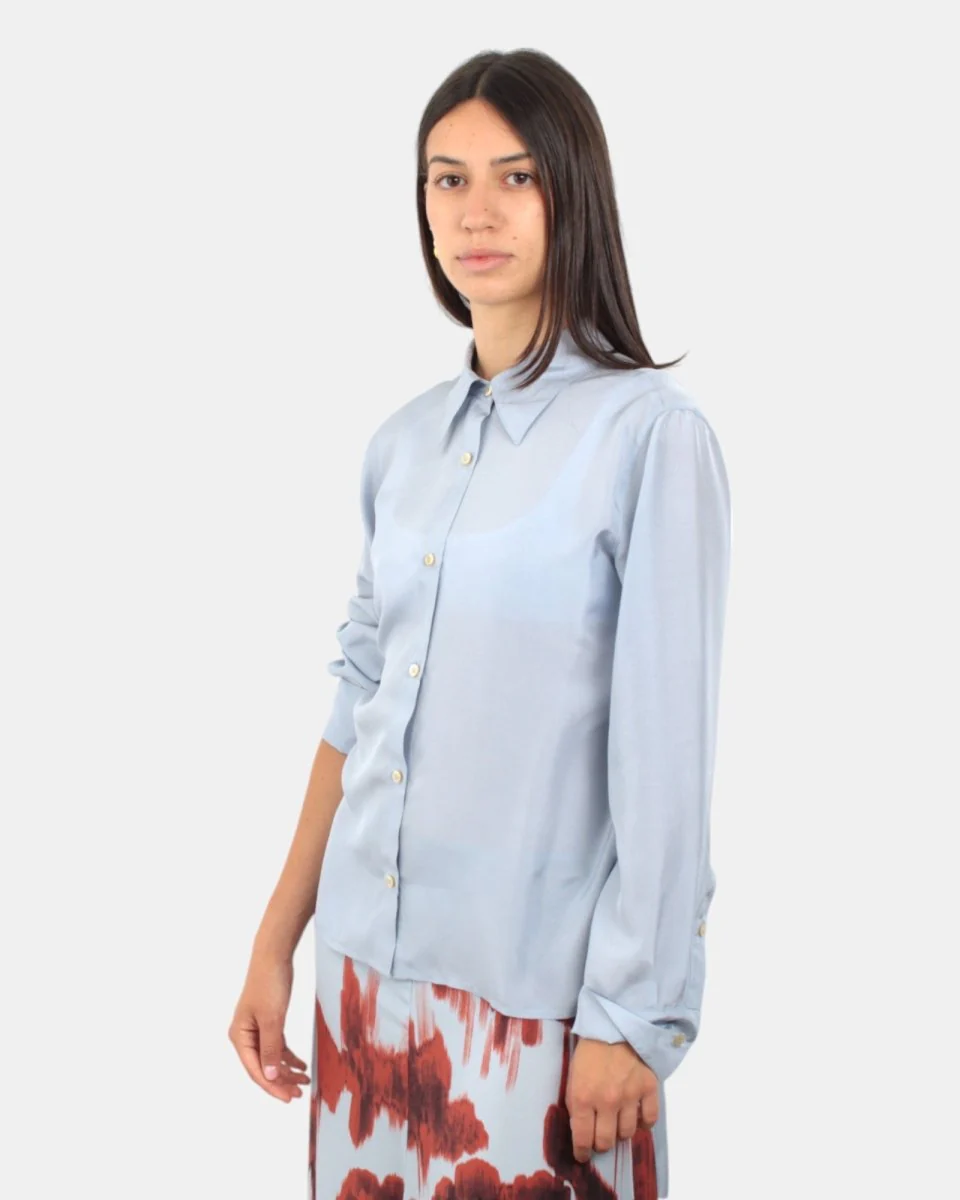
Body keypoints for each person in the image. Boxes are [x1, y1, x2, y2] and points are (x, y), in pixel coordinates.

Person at [228, 47, 731, 1200]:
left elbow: (666, 762)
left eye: (515, 176)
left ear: (572, 192)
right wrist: (275, 940)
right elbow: (360, 701)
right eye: (446, 179)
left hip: (538, 1013)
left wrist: (635, 1015)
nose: (475, 212)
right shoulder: (403, 445)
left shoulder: (652, 439)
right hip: (363, 987)